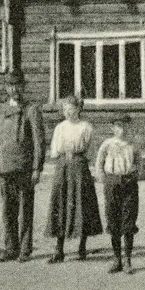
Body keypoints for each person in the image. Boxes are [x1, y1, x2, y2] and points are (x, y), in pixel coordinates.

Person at [0, 68, 44, 263]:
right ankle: (10, 248)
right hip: (5, 168)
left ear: (24, 87)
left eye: (18, 86)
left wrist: (37, 168)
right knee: (7, 211)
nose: (15, 90)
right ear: (6, 88)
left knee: (25, 210)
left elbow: (39, 141)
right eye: (11, 86)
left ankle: (25, 249)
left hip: (25, 168)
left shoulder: (32, 110)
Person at [45, 95, 103, 262]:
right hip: (63, 167)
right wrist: (63, 158)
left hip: (79, 167)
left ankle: (82, 247)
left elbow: (91, 152)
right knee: (61, 203)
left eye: (72, 109)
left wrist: (86, 164)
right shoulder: (60, 128)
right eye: (66, 110)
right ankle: (59, 249)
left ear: (79, 109)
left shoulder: (86, 127)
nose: (69, 113)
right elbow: (55, 151)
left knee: (82, 204)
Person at [95, 113, 139, 275]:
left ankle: (127, 259)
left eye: (125, 126)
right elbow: (99, 162)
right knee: (113, 219)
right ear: (113, 128)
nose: (122, 130)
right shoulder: (107, 144)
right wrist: (104, 179)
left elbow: (139, 163)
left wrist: (134, 175)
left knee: (128, 219)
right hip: (112, 182)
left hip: (129, 183)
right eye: (119, 126)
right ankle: (116, 259)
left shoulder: (133, 145)